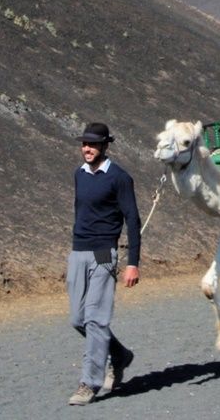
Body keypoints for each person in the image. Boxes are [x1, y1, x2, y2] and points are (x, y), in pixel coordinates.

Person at [67, 122, 141, 406]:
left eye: (93, 144)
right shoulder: (79, 174)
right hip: (78, 252)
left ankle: (90, 383)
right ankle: (120, 354)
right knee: (77, 318)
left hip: (102, 253)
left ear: (105, 146)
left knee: (96, 319)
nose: (87, 148)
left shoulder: (119, 178)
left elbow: (132, 220)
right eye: (84, 144)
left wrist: (132, 262)